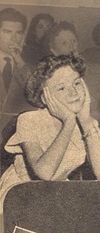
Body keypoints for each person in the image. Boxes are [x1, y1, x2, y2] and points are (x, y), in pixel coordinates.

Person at [0, 54, 100, 220]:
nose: (73, 92)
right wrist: (68, 122)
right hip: (20, 198)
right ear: (45, 97)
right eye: (61, 88)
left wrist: (85, 120)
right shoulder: (29, 120)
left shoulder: (86, 122)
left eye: (76, 83)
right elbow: (45, 173)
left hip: (56, 197)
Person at [47, 21, 100, 114]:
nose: (71, 46)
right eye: (64, 43)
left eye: (73, 41)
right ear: (53, 51)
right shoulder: (51, 78)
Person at [0, 8, 33, 175]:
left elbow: (36, 92)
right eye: (7, 32)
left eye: (19, 33)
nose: (14, 38)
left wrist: (20, 61)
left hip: (12, 142)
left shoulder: (25, 65)